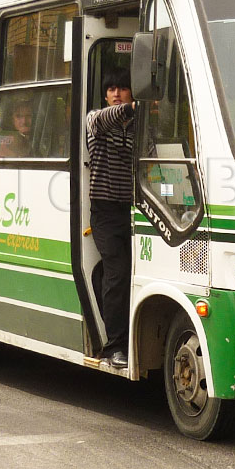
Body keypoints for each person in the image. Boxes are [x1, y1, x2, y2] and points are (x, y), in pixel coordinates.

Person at [86, 67, 135, 368]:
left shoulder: (140, 129)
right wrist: (133, 108)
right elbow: (107, 117)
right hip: (104, 211)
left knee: (128, 273)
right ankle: (114, 347)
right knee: (117, 273)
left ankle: (129, 336)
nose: (116, 93)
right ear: (105, 95)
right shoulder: (95, 120)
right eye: (111, 89)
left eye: (123, 88)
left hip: (134, 209)